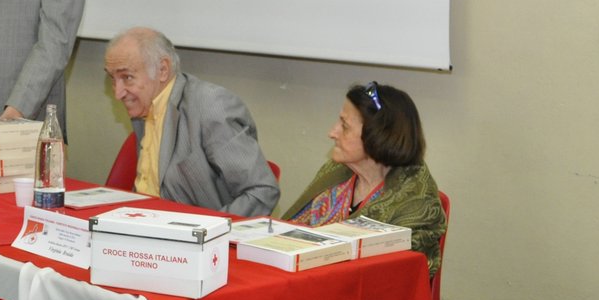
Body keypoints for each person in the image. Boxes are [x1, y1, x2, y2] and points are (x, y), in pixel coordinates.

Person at [105, 27, 279, 218]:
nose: (118, 93)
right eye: (112, 79)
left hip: (194, 237)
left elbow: (262, 191)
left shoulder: (210, 106)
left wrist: (205, 232)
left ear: (163, 70)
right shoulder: (145, 105)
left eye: (127, 77)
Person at [281, 81, 445, 277]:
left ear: (377, 136)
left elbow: (397, 279)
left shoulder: (416, 203)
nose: (332, 133)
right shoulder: (336, 172)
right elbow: (290, 232)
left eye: (344, 126)